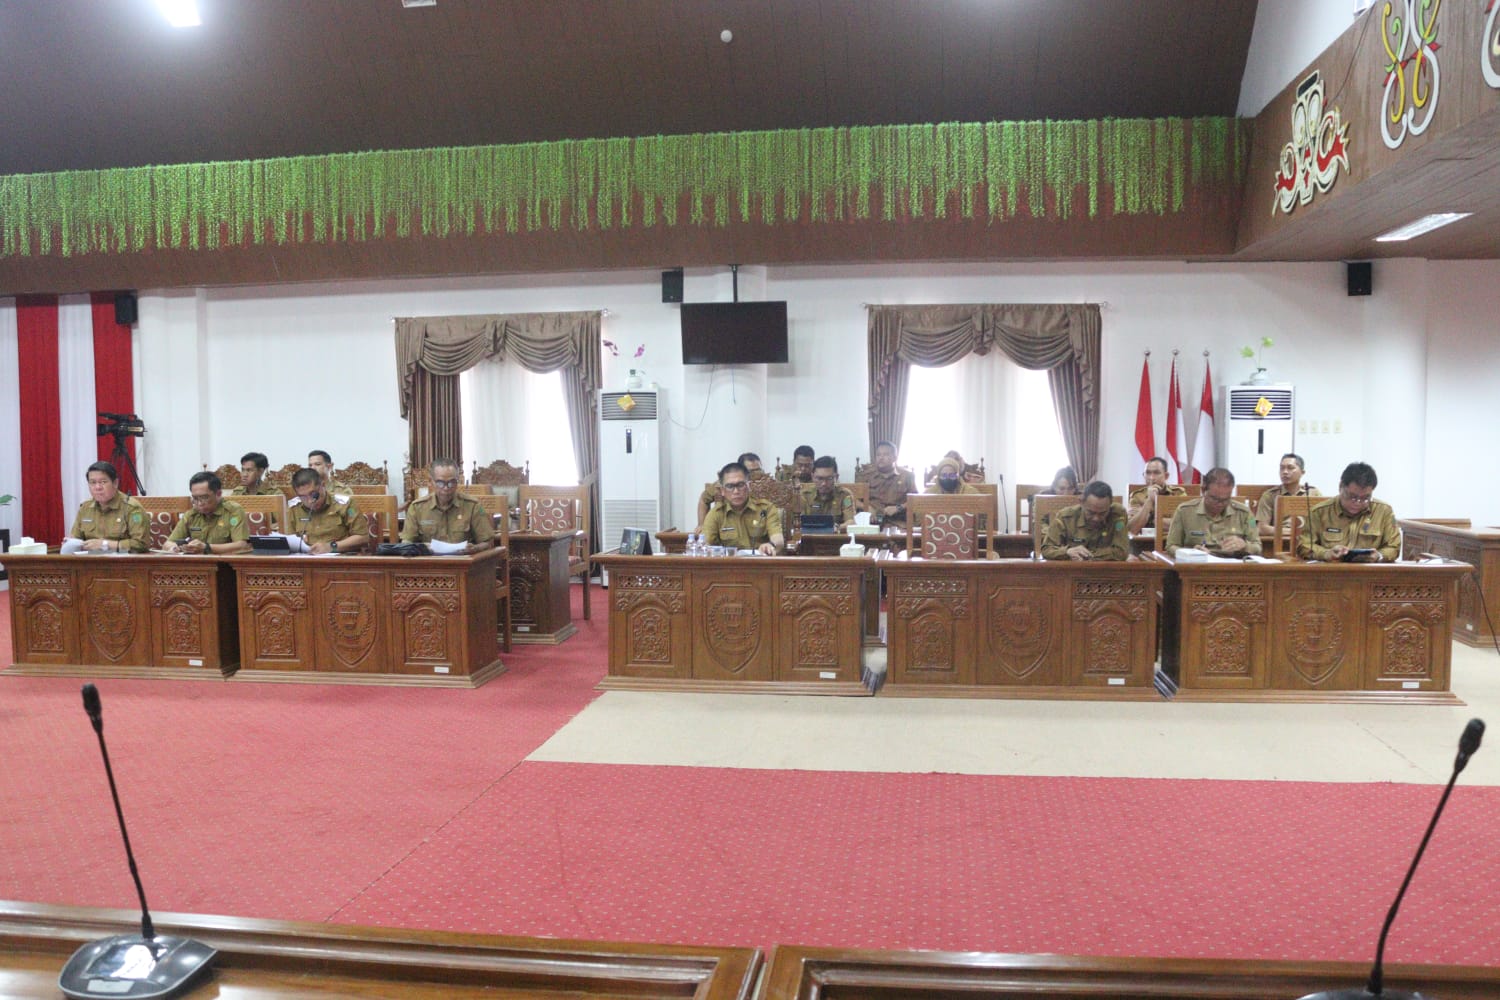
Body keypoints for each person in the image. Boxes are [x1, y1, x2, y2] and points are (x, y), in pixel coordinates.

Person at [1297, 461, 1401, 562]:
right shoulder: (1319, 512)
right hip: (1332, 570)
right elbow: (1304, 546)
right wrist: (1326, 553)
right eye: (1352, 496)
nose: (1357, 503)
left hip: (1369, 571)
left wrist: (1379, 556)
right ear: (1340, 487)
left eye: (1365, 498)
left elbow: (1393, 547)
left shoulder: (1384, 511)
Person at [400, 457, 495, 552]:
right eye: (440, 483)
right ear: (431, 482)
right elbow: (406, 542)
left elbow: (488, 542)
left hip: (463, 559)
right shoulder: (417, 508)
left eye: (451, 483)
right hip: (429, 559)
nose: (446, 488)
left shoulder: (472, 506)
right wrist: (420, 547)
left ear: (458, 481)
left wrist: (474, 548)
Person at [1165, 467, 1261, 557]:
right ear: (1203, 490)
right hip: (1197, 565)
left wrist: (1245, 546)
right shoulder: (1184, 511)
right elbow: (1171, 546)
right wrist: (1190, 553)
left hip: (1232, 565)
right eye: (1214, 499)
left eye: (1225, 500)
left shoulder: (1246, 513)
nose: (1220, 504)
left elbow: (1258, 546)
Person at [701, 462, 783, 555]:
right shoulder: (717, 513)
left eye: (740, 485)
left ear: (748, 486)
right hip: (730, 562)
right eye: (730, 486)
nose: (736, 491)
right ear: (722, 491)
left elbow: (778, 539)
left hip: (761, 561)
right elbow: (705, 543)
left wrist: (770, 545)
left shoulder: (766, 508)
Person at [67, 461, 150, 553]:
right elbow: (76, 538)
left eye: (103, 482)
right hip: (90, 559)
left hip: (122, 560)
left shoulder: (131, 508)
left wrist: (105, 544)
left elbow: (141, 544)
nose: (98, 487)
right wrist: (71, 543)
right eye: (93, 482)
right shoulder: (85, 508)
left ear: (115, 483)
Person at [163, 471, 251, 555]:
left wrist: (207, 547)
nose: (199, 503)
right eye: (195, 498)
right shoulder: (191, 514)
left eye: (204, 497)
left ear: (218, 494)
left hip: (225, 562)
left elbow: (242, 545)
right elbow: (167, 544)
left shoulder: (233, 511)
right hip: (196, 563)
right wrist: (174, 548)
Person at [286, 467, 369, 554]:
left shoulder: (346, 505)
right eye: (303, 497)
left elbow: (363, 537)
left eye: (313, 494)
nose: (310, 501)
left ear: (323, 485)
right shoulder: (293, 508)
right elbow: (289, 541)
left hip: (341, 556)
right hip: (307, 557)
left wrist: (331, 547)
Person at [1040, 480, 1128, 561]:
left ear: (1110, 504)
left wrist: (1086, 555)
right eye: (1091, 512)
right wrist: (1067, 552)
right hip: (1072, 568)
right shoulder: (1065, 517)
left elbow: (1121, 552)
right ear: (1081, 502)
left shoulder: (1117, 515)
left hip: (1105, 569)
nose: (1096, 518)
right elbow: (1047, 549)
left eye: (1102, 513)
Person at [1256, 452, 1320, 532]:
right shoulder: (1270, 495)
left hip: (1307, 538)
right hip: (1280, 537)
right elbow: (1262, 528)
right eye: (1282, 468)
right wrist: (1293, 532)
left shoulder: (1313, 494)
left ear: (1302, 472)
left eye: (1290, 468)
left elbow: (1323, 523)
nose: (1285, 472)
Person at [1127, 456, 1187, 534]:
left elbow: (1185, 524)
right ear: (1143, 475)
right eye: (1148, 473)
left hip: (1170, 539)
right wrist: (1149, 500)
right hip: (1143, 541)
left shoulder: (1178, 494)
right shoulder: (1137, 496)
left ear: (1166, 476)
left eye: (1156, 473)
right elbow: (1132, 529)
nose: (1151, 478)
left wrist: (1152, 520)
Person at [867, 440, 917, 525]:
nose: (881, 458)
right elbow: (852, 499)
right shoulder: (866, 476)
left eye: (885, 454)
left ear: (895, 457)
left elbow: (916, 500)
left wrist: (899, 508)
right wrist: (866, 507)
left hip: (898, 522)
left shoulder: (907, 476)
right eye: (878, 455)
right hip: (872, 522)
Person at [799, 456, 855, 528]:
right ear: (812, 477)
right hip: (810, 534)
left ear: (836, 477)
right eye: (820, 478)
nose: (824, 483)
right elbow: (798, 522)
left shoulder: (845, 496)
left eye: (829, 478)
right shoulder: (804, 495)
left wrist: (836, 528)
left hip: (836, 534)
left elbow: (851, 522)